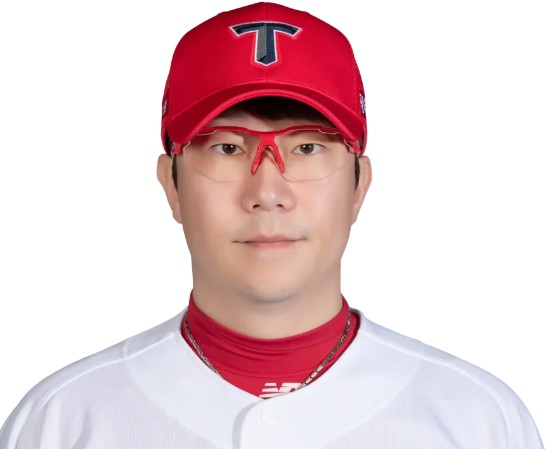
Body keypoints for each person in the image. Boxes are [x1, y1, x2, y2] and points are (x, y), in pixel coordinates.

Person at [0, 2, 543, 448]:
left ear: (359, 185)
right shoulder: (62, 422)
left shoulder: (478, 421)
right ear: (171, 184)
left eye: (307, 147)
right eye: (227, 148)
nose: (267, 192)